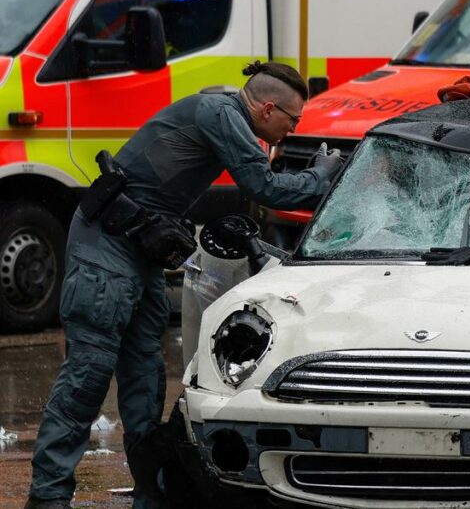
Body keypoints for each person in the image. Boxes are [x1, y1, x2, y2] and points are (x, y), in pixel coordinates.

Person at [25, 61, 344, 509]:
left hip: (136, 253)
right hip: (107, 251)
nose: (291, 130)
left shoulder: (220, 111)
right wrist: (325, 173)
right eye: (293, 121)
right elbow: (265, 187)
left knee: (146, 382)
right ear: (268, 108)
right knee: (87, 378)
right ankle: (48, 498)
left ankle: (151, 496)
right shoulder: (222, 115)